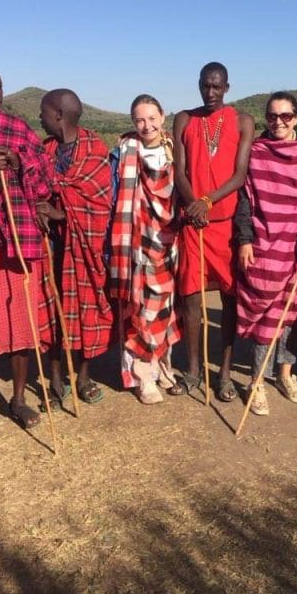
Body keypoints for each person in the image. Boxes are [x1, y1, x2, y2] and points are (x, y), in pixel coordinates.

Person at [0, 60, 53, 439]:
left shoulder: (17, 128)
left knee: (22, 318)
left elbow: (43, 178)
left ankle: (19, 399)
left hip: (21, 235)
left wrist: (14, 158)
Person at [235, 91, 297, 415]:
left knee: (292, 314)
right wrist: (245, 239)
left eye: (286, 116)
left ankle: (285, 374)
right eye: (272, 116)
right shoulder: (256, 152)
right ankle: (256, 381)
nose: (278, 122)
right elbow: (244, 199)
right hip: (264, 244)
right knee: (267, 316)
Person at [173, 62, 254, 401]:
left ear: (227, 87)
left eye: (217, 87)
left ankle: (224, 373)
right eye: (205, 86)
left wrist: (207, 201)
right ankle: (193, 370)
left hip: (225, 225)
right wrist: (194, 205)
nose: (210, 92)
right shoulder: (184, 119)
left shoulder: (242, 121)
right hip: (194, 224)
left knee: (229, 299)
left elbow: (239, 175)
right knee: (191, 296)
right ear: (199, 85)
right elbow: (179, 171)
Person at [37, 89, 114, 408]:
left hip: (83, 244)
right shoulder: (45, 150)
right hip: (51, 243)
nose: (39, 118)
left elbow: (99, 202)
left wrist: (60, 213)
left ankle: (82, 376)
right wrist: (41, 210)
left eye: (43, 112)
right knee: (53, 306)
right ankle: (56, 379)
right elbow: (35, 189)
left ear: (58, 114)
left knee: (85, 306)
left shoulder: (95, 150)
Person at [109, 94, 183, 404]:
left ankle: (161, 364)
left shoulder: (174, 150)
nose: (146, 125)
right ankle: (142, 374)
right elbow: (115, 197)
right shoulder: (124, 152)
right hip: (136, 243)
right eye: (139, 120)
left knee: (165, 305)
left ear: (163, 117)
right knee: (140, 307)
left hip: (168, 242)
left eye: (152, 118)